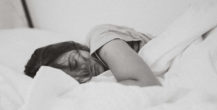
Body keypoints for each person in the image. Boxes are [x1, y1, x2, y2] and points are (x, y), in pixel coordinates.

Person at [25, 24, 160, 86]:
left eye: (73, 63)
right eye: (73, 78)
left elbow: (147, 84)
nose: (83, 72)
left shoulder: (100, 37)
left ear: (72, 47)